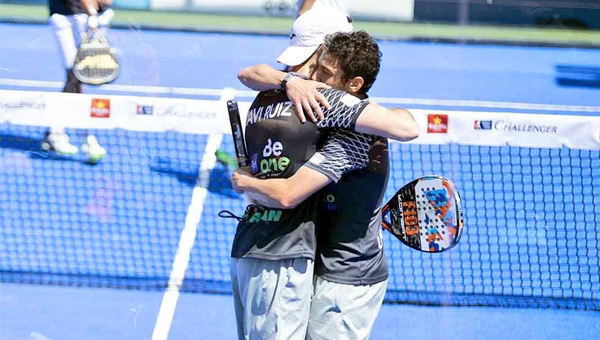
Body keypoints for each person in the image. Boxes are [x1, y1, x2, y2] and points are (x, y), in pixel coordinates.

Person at [230, 8, 418, 340]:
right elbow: (250, 72)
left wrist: (245, 182)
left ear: (352, 83)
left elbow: (405, 126)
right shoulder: (307, 95)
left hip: (346, 277)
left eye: (325, 72)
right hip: (318, 264)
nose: (316, 79)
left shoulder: (341, 116)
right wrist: (289, 81)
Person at [43, 0, 112, 162]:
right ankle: (81, 136)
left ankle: (56, 132)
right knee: (74, 75)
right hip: (65, 18)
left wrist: (100, 9)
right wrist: (91, 10)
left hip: (89, 18)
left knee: (77, 77)